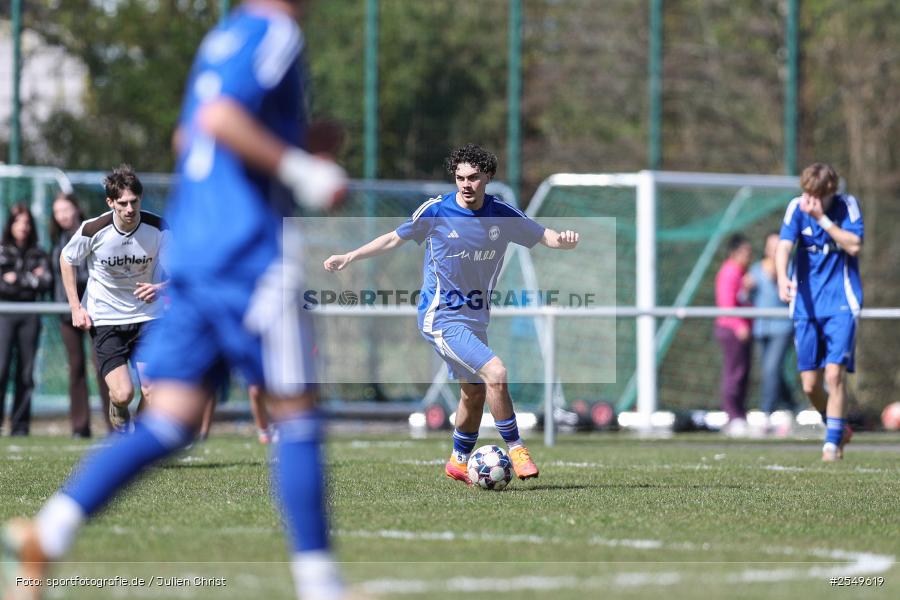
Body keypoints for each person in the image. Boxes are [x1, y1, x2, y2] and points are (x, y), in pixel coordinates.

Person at [1, 1, 348, 599]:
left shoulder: (224, 36)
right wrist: (301, 167)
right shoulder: (277, 31)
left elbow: (187, 133)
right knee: (298, 416)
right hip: (246, 257)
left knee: (170, 420)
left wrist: (292, 139)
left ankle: (47, 534)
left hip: (198, 258)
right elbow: (217, 118)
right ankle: (325, 589)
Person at [324, 143, 579, 484]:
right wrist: (350, 257)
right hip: (441, 318)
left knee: (473, 394)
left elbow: (543, 235)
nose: (466, 184)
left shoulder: (501, 214)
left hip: (476, 319)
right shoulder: (437, 211)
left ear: (487, 176)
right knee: (497, 372)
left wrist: (563, 240)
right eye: (460, 177)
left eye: (473, 177)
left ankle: (459, 462)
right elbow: (392, 239)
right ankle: (517, 448)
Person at [59, 165, 167, 433]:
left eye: (134, 202)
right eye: (123, 203)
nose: (130, 209)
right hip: (106, 318)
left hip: (148, 315)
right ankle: (118, 409)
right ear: (110, 202)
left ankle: (137, 445)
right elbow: (66, 258)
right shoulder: (93, 230)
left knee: (154, 391)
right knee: (123, 394)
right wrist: (75, 306)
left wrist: (161, 288)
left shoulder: (159, 228)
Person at [775, 162, 862, 462]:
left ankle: (831, 446)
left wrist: (822, 220)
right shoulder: (795, 208)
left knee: (835, 375)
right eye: (806, 193)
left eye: (816, 195)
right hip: (806, 305)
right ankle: (838, 428)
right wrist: (782, 276)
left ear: (829, 193)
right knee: (810, 384)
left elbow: (854, 245)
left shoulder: (847, 205)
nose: (809, 200)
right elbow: (784, 247)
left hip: (841, 303)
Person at [49, 192, 113, 438]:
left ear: (76, 208)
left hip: (95, 310)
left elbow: (94, 274)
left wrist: (78, 291)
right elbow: (56, 277)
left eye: (66, 209)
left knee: (103, 366)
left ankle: (114, 425)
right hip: (66, 312)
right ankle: (80, 426)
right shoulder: (57, 240)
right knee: (75, 367)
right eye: (58, 212)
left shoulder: (90, 233)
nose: (63, 215)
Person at [0, 204, 52, 435]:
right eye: (18, 222)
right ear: (11, 225)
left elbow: (46, 282)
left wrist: (16, 278)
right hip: (4, 314)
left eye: (26, 223)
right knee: (1, 370)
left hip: (30, 315)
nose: (22, 227)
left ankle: (20, 426)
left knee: (25, 373)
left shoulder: (39, 253)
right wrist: (30, 278)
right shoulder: (2, 251)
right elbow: (2, 285)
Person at [747, 232, 796, 429]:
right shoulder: (756, 270)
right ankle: (793, 405)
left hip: (782, 326)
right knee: (773, 372)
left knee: (771, 368)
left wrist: (780, 278)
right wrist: (746, 288)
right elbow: (746, 298)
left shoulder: (790, 268)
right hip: (761, 327)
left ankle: (767, 411)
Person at [714, 233, 753, 435]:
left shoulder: (741, 273)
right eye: (745, 252)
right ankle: (732, 415)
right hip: (731, 330)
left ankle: (739, 413)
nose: (749, 256)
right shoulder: (730, 271)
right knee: (734, 374)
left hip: (740, 330)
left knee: (742, 373)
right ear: (734, 253)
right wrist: (739, 325)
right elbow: (726, 305)